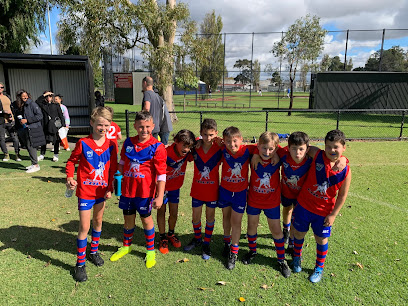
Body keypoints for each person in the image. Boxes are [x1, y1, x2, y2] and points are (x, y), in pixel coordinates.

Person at [66, 106, 118, 282]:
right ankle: (80, 264)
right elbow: (71, 162)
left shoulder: (111, 145)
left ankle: (93, 252)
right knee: (84, 227)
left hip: (101, 192)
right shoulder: (83, 143)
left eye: (106, 125)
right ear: (92, 123)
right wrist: (69, 178)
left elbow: (112, 169)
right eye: (99, 124)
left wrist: (110, 188)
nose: (102, 128)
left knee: (98, 221)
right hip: (85, 192)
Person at [292, 129, 351, 283]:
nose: (332, 150)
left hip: (324, 212)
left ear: (343, 147)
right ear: (324, 146)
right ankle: (297, 257)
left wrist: (333, 215)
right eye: (329, 146)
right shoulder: (317, 154)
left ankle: (319, 267)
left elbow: (342, 195)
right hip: (304, 205)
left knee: (321, 238)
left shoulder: (345, 170)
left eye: (336, 147)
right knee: (298, 233)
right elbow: (301, 146)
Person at [110, 111, 167, 269]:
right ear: (135, 126)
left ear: (153, 126)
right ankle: (126, 246)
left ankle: (150, 251)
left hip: (144, 192)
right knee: (128, 219)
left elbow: (162, 174)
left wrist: (160, 196)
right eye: (141, 127)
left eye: (148, 127)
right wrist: (118, 183)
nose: (144, 130)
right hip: (127, 191)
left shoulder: (158, 147)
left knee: (146, 220)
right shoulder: (128, 143)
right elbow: (121, 163)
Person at [242, 131, 291, 277]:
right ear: (258, 146)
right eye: (264, 148)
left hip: (272, 201)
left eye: (271, 149)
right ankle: (252, 251)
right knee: (251, 226)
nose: (267, 152)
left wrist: (277, 152)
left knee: (276, 230)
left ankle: (281, 260)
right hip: (254, 200)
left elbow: (288, 150)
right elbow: (243, 147)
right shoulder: (253, 155)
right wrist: (256, 153)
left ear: (276, 148)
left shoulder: (279, 157)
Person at [218, 126, 257, 270]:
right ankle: (226, 243)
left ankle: (233, 253)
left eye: (235, 141)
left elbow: (266, 146)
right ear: (224, 141)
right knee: (226, 218)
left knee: (236, 221)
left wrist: (258, 154)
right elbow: (203, 141)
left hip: (240, 193)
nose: (232, 145)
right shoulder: (222, 150)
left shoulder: (248, 150)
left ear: (241, 139)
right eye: (228, 141)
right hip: (225, 191)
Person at [184, 119, 222, 261]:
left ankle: (206, 243)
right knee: (196, 216)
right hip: (198, 189)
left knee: (210, 217)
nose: (208, 138)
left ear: (216, 134)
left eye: (211, 135)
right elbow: (184, 153)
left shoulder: (220, 148)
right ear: (201, 133)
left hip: (212, 190)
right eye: (205, 134)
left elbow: (234, 150)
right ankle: (197, 238)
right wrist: (196, 142)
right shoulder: (196, 147)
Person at [157, 129, 196, 254]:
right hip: (161, 188)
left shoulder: (188, 154)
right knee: (161, 212)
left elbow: (201, 144)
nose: (186, 149)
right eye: (184, 145)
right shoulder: (165, 152)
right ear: (176, 142)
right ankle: (162, 237)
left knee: (174, 213)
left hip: (175, 188)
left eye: (189, 146)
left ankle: (171, 234)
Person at [12, 90, 45, 173]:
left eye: (26, 95)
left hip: (32, 128)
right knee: (28, 146)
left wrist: (27, 120)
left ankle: (36, 165)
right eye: (23, 96)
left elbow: (40, 116)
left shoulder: (32, 104)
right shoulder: (20, 105)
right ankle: (33, 163)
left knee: (31, 146)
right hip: (25, 128)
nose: (25, 97)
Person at [141, 76, 173, 145]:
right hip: (157, 126)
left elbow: (147, 108)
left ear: (145, 83)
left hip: (151, 126)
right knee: (159, 147)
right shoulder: (157, 96)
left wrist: (141, 117)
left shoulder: (147, 93)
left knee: (150, 146)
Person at [36, 91, 65, 162]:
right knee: (44, 141)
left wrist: (62, 125)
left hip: (54, 125)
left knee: (56, 141)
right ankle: (42, 155)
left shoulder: (56, 105)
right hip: (45, 125)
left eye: (50, 96)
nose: (49, 97)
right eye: (47, 96)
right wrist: (44, 95)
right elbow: (37, 102)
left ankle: (56, 155)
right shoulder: (43, 105)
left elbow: (61, 115)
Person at [0, 82, 20, 161]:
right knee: (1, 138)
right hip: (1, 121)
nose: (0, 89)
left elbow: (11, 107)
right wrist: (3, 112)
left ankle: (17, 154)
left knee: (15, 138)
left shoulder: (7, 96)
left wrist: (13, 116)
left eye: (2, 87)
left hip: (11, 120)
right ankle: (6, 154)